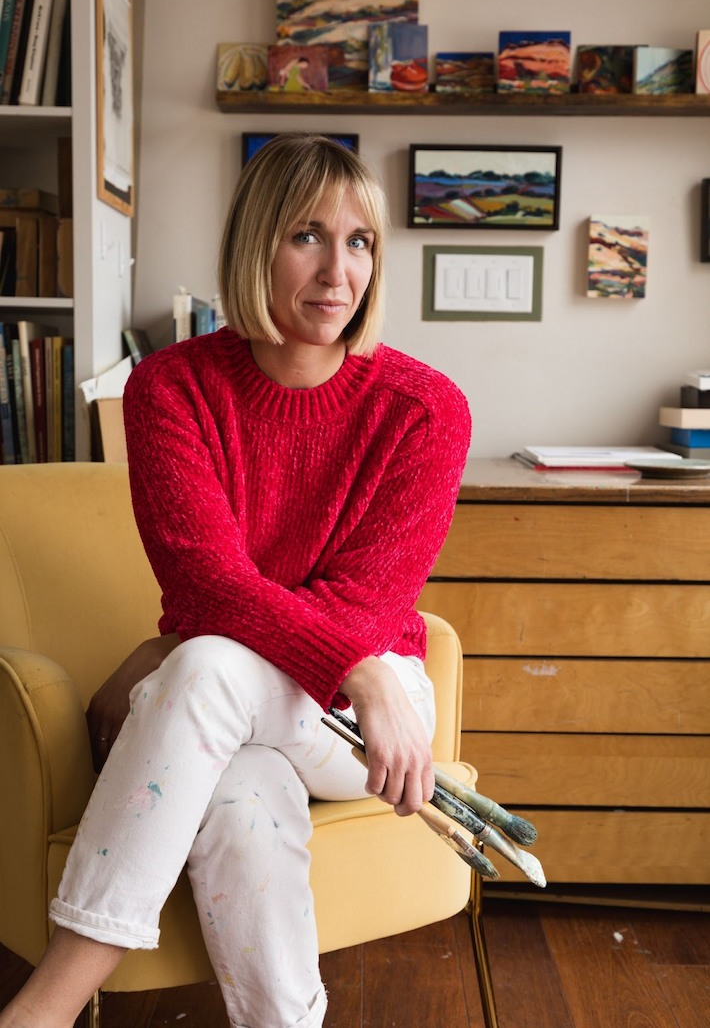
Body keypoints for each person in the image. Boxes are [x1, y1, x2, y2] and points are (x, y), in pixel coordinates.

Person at [0, 133, 471, 1028]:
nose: (339, 271)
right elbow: (204, 577)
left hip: (365, 719)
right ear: (256, 243)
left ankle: (44, 1010)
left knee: (205, 667)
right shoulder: (171, 388)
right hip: (268, 692)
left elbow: (364, 607)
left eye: (360, 241)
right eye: (307, 236)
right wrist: (208, 637)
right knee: (238, 794)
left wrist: (353, 668)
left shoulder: (425, 408)